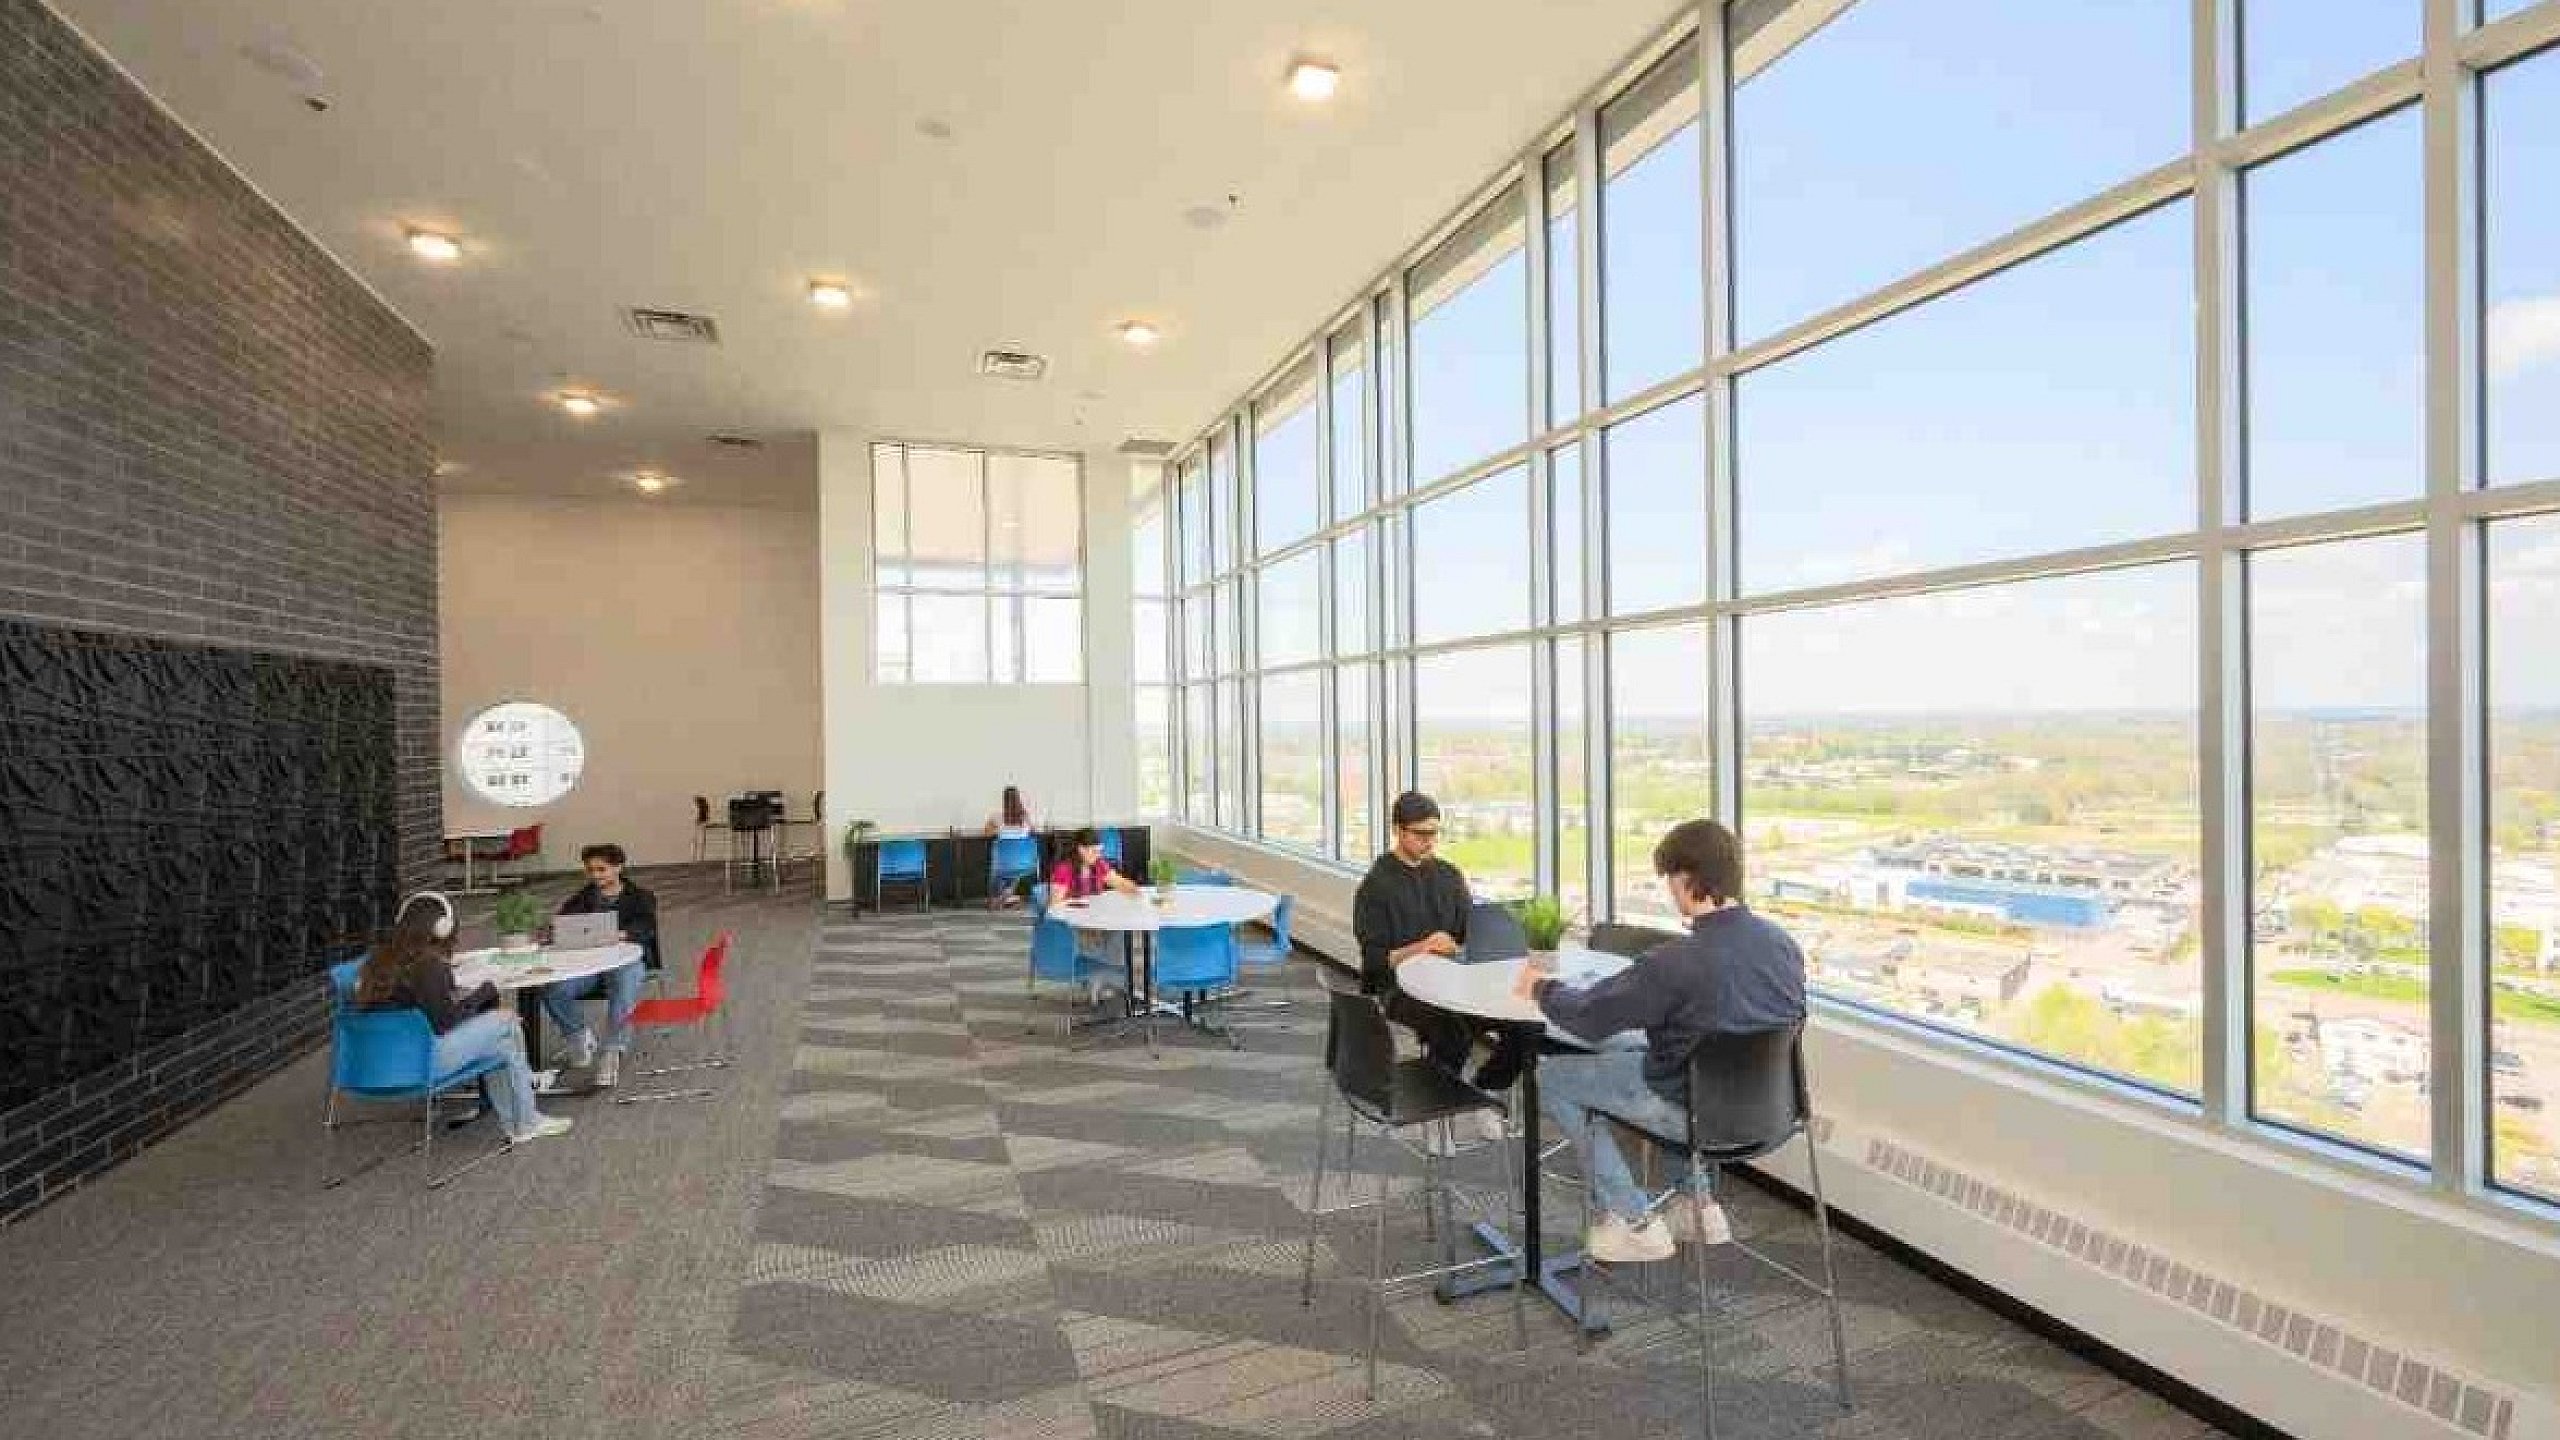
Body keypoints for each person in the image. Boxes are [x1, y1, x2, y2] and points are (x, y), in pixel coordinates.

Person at [1514, 818, 1806, 1263]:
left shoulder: (1674, 962)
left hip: (1690, 1112)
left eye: (1671, 880)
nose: (1670, 892)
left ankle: (1631, 1219)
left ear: (1687, 879)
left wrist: (1540, 988)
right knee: (1640, 1050)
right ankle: (1698, 1205)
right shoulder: (1784, 945)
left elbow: (1591, 1018)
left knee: (1552, 1077)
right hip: (1772, 1112)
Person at [1352, 791, 1531, 1144]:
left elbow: (1469, 933)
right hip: (1400, 989)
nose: (1429, 842)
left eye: (1434, 833)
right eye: (1420, 834)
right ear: (1398, 831)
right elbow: (1373, 960)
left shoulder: (1449, 876)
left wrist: (1478, 941)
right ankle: (1437, 1113)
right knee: (1454, 1030)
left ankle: (1483, 1092)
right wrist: (1422, 947)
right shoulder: (1376, 886)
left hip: (1455, 980)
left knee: (1524, 1027)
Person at [353, 893, 570, 1145]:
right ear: (442, 927)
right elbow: (445, 1022)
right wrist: (485, 992)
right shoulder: (428, 966)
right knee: (507, 1023)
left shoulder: (378, 959)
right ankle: (525, 1120)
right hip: (421, 1063)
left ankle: (524, 1118)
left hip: (374, 1065)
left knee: (503, 1046)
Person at [540, 843, 656, 1088]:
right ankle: (578, 1037)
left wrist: (621, 935)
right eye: (591, 870)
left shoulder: (640, 897)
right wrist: (553, 932)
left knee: (625, 985)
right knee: (553, 987)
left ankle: (612, 1050)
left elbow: (646, 928)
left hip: (626, 962)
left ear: (618, 867)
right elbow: (563, 923)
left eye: (601, 869)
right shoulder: (583, 898)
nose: (596, 876)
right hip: (589, 966)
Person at [1048, 826, 1138, 901]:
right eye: (1094, 851)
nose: (1098, 855)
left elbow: (1120, 883)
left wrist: (1134, 889)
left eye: (1100, 851)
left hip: (1094, 915)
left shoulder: (1099, 864)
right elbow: (1056, 904)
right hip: (1071, 917)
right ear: (1081, 849)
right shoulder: (1064, 869)